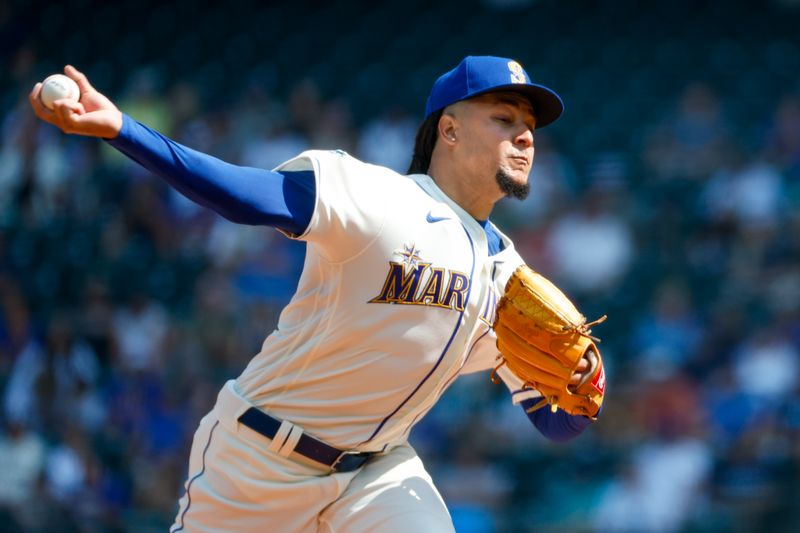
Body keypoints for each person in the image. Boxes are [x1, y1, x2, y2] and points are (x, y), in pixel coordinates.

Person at [29, 56, 603, 532]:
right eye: (504, 117)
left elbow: (552, 422)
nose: (526, 134)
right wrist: (122, 130)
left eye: (529, 124)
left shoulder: (511, 280)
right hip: (259, 461)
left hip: (377, 476)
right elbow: (245, 197)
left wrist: (579, 396)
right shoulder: (379, 197)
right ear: (449, 130)